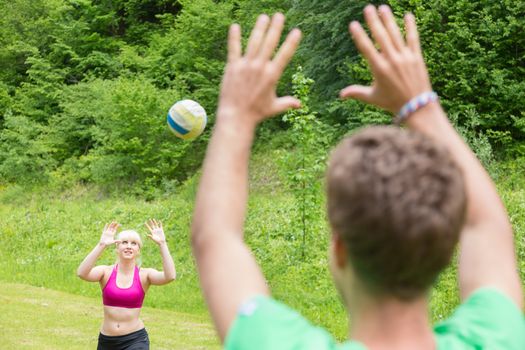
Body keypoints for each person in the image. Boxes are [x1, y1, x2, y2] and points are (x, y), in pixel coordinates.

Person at [191, 4, 525, 350]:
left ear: (339, 248)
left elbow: (215, 237)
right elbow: (488, 226)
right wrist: (421, 107)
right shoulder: (495, 339)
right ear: (446, 248)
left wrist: (235, 115)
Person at [77, 219, 176, 350]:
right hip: (107, 342)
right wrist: (101, 245)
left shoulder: (144, 275)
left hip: (135, 340)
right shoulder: (105, 272)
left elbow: (170, 276)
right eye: (124, 242)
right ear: (117, 248)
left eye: (134, 243)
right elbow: (82, 273)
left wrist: (162, 244)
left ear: (138, 250)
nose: (129, 246)